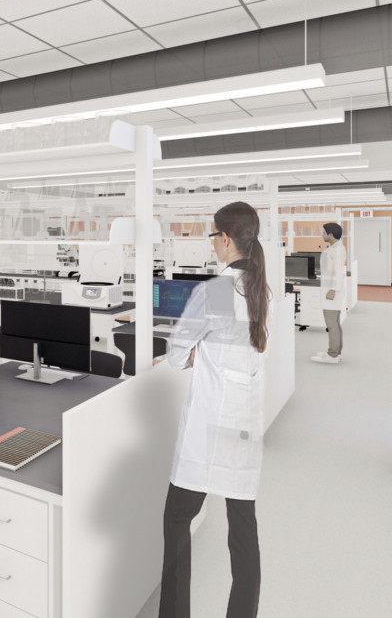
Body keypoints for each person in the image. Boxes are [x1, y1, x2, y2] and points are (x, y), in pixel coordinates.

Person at [160, 202, 270, 618]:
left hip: (208, 428)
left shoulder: (217, 291)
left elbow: (175, 353)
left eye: (213, 235)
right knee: (242, 530)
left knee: (175, 522)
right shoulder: (263, 292)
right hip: (242, 427)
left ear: (225, 238)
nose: (212, 243)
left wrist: (194, 355)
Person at [311, 222, 346, 364]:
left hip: (332, 291)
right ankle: (336, 352)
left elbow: (338, 272)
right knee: (335, 323)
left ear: (331, 234)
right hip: (330, 289)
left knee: (332, 324)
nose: (322, 235)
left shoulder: (336, 250)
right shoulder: (336, 248)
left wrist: (332, 290)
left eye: (324, 232)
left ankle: (332, 355)